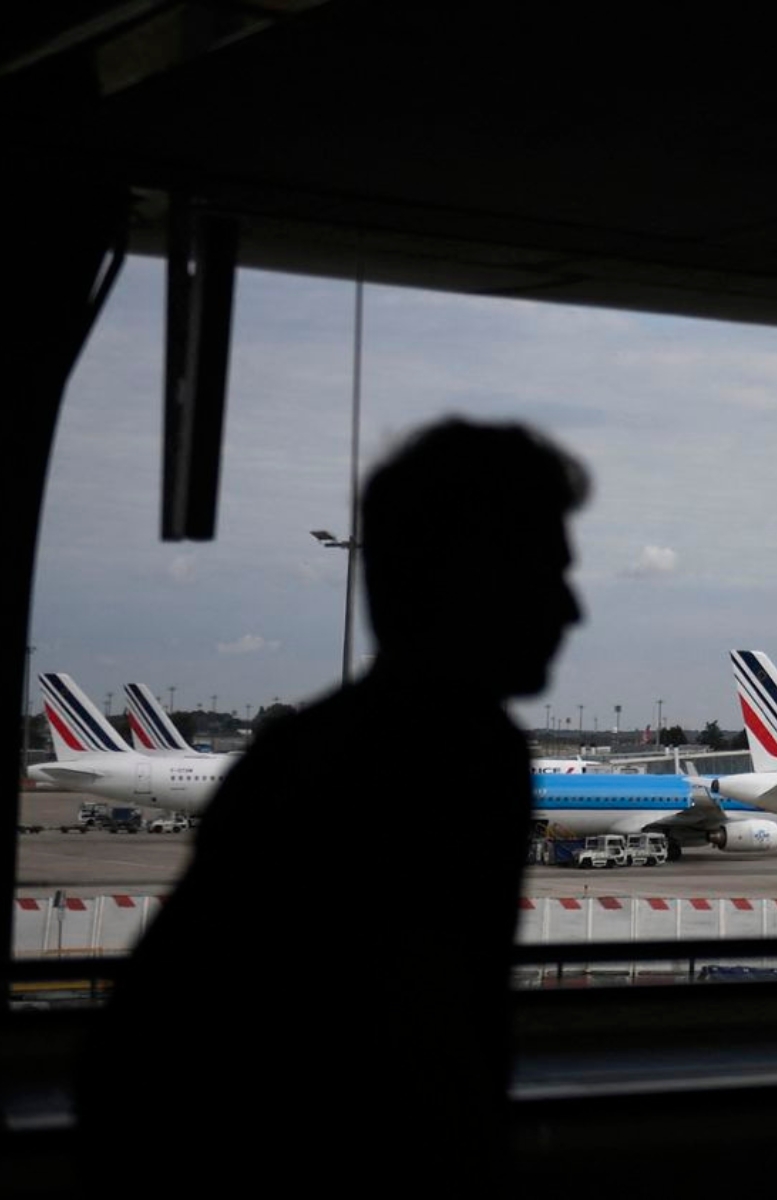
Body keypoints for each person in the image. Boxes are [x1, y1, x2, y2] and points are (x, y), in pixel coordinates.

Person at [73, 418, 588, 1195]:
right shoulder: (435, 759)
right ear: (461, 579)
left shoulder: (377, 747)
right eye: (545, 571)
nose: (570, 610)